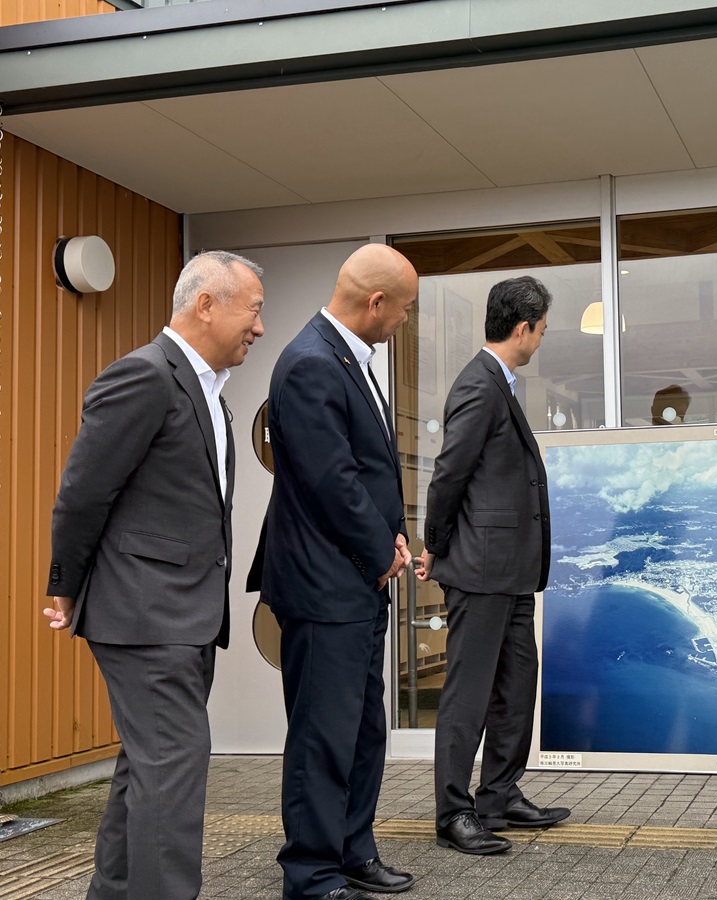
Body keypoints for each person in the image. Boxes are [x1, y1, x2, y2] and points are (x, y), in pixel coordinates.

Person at [44, 250, 265, 900]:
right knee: (172, 776)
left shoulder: (208, 395)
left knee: (147, 772)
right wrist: (65, 583)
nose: (258, 327)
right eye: (252, 311)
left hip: (183, 618)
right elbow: (83, 493)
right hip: (145, 617)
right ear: (206, 304)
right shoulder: (143, 378)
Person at [251, 244, 417, 900]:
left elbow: (365, 474)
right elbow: (333, 482)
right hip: (324, 588)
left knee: (363, 730)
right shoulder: (310, 363)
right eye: (402, 309)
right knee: (323, 737)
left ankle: (353, 850)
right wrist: (381, 552)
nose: (404, 320)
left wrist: (394, 538)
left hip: (351, 582)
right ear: (375, 303)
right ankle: (311, 874)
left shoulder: (345, 357)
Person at [416, 275, 570, 855]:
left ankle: (499, 794)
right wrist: (435, 544)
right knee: (470, 692)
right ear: (523, 327)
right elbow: (449, 474)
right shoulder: (479, 385)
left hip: (510, 571)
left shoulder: (499, 383)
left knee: (515, 684)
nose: (541, 341)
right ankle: (453, 811)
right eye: (543, 330)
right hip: (479, 570)